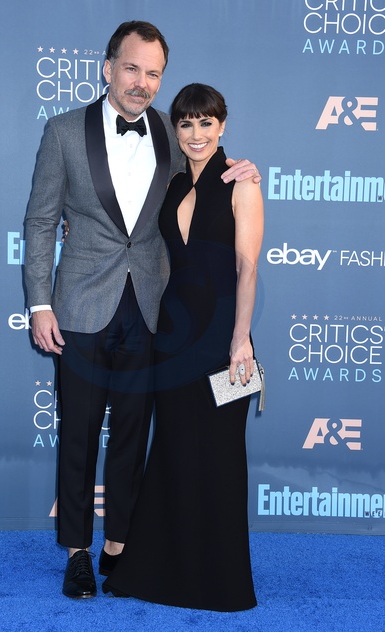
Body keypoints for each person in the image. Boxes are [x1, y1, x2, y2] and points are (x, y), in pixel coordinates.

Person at [24, 21, 261, 600]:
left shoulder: (171, 134)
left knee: (133, 434)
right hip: (80, 304)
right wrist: (39, 302)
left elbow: (206, 176)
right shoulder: (62, 131)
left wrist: (243, 170)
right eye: (132, 68)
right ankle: (78, 552)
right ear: (109, 68)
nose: (142, 82)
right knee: (79, 436)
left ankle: (119, 546)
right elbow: (40, 221)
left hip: (154, 310)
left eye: (153, 73)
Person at [103, 83, 264, 612]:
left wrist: (240, 339)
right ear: (176, 130)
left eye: (206, 122)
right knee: (173, 450)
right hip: (172, 336)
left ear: (223, 125)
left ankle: (219, 583)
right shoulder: (172, 184)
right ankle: (161, 571)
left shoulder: (241, 182)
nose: (197, 134)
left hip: (222, 335)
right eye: (186, 123)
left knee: (219, 456)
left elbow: (246, 267)